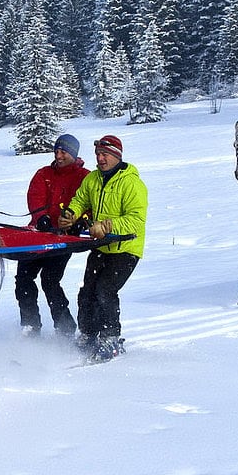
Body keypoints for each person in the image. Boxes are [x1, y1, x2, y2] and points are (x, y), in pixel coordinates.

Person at [59, 134, 147, 362]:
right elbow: (81, 199)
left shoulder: (131, 182)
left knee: (105, 291)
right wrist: (70, 214)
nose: (100, 159)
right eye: (98, 154)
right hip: (101, 247)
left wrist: (107, 226)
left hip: (126, 248)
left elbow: (136, 220)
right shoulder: (94, 179)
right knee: (87, 291)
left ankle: (111, 338)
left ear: (116, 156)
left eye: (105, 154)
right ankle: (88, 334)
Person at [15, 134, 90, 338]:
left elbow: (89, 204)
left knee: (50, 280)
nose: (58, 155)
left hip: (63, 238)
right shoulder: (44, 173)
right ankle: (30, 325)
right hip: (38, 234)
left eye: (63, 151)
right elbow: (35, 197)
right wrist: (41, 217)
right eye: (56, 151)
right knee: (23, 278)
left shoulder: (85, 176)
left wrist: (80, 222)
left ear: (73, 153)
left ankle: (65, 327)